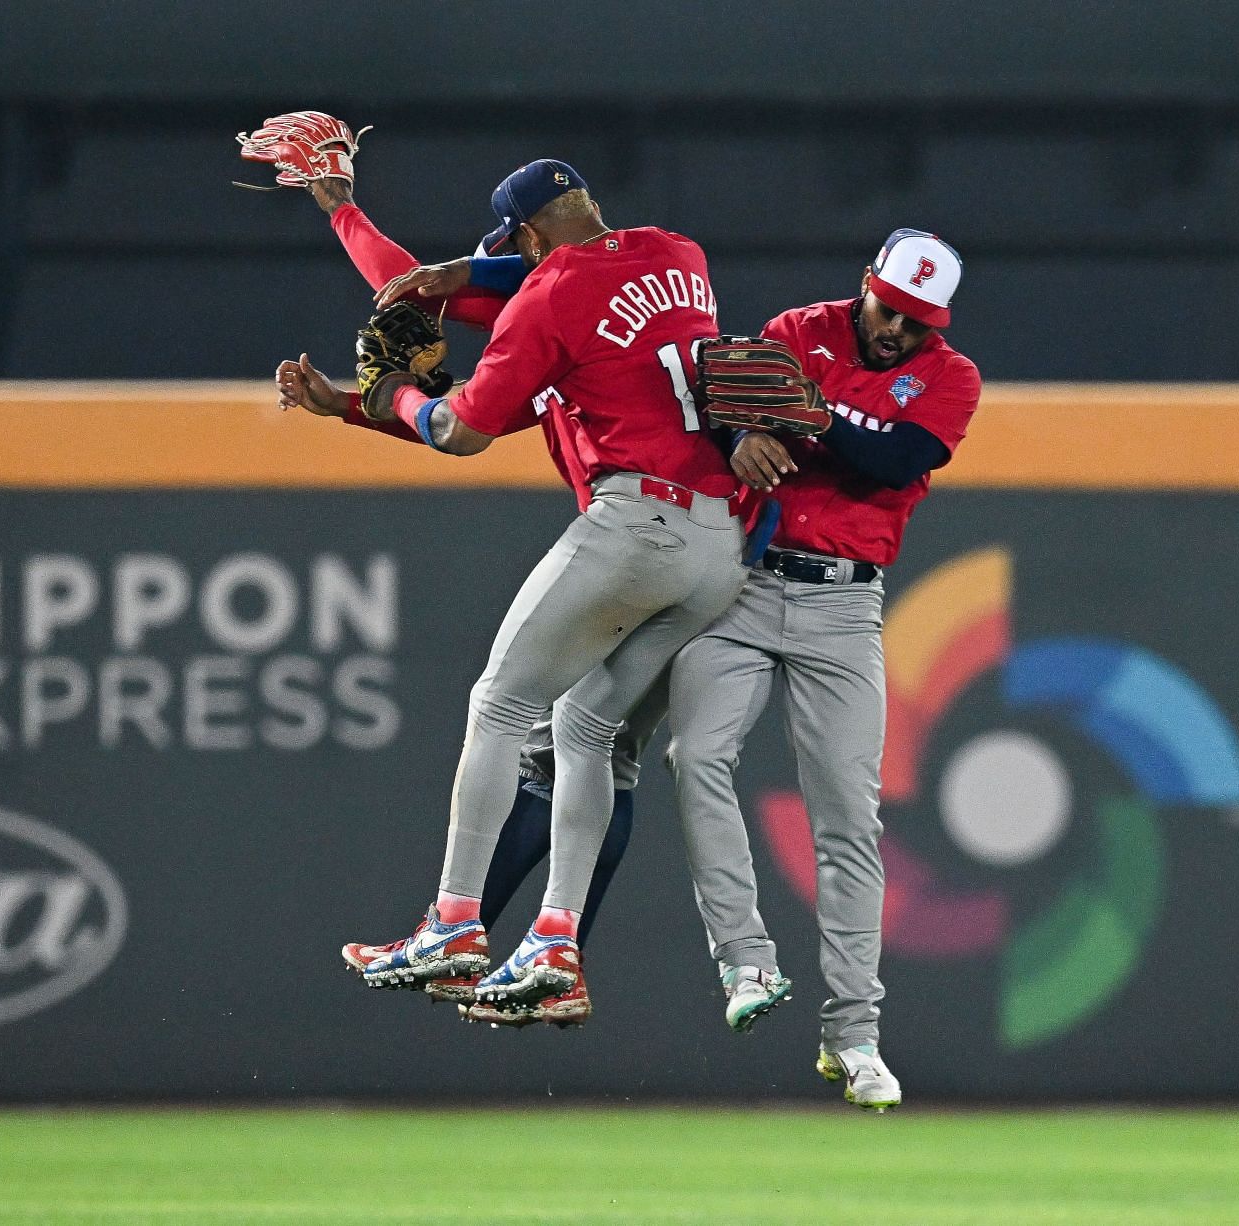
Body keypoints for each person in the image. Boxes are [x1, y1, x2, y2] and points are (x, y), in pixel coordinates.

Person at [376, 229, 982, 1112]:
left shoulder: (950, 376)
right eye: (891, 310)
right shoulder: (796, 327)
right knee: (687, 758)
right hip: (745, 579)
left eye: (917, 323)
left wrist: (804, 414)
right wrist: (743, 434)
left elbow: (895, 458)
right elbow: (713, 402)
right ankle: (741, 962)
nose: (898, 332)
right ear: (868, 285)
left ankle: (854, 1036)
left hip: (846, 604)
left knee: (849, 818)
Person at [267, 144, 750, 1018]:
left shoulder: (548, 300)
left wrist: (391, 400)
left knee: (499, 706)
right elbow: (426, 289)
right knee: (586, 729)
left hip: (638, 522)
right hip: (721, 547)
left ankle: (454, 922)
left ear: (524, 236)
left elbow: (459, 430)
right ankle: (555, 942)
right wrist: (350, 380)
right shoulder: (679, 255)